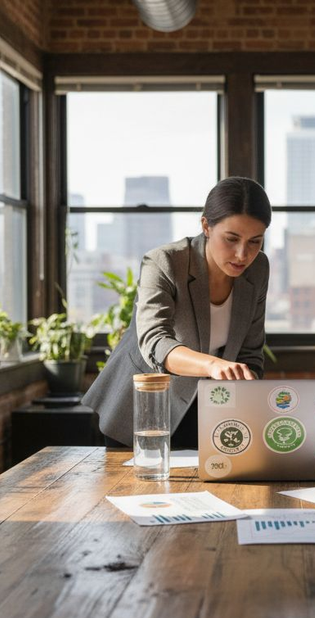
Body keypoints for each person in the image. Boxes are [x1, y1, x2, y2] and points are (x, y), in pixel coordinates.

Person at [82, 177, 271, 448]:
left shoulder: (258, 269)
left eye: (255, 241)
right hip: (144, 408)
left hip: (211, 412)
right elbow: (155, 341)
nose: (242, 254)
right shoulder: (165, 262)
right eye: (231, 239)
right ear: (206, 226)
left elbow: (251, 352)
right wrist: (212, 365)